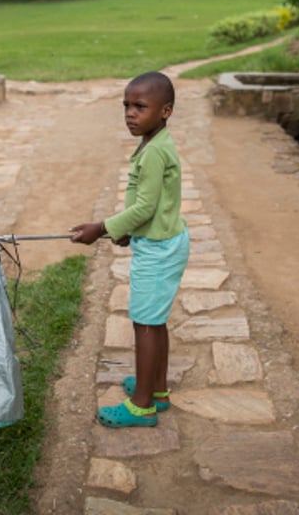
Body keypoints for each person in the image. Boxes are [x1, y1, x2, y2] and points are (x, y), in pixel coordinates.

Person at [71, 71, 190, 427]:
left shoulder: (154, 152)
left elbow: (145, 208)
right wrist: (128, 233)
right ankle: (156, 389)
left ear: (165, 111)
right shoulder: (156, 143)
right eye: (126, 106)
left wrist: (102, 228)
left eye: (140, 106)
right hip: (161, 239)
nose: (130, 114)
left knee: (145, 324)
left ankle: (141, 406)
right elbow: (152, 206)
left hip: (158, 250)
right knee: (155, 321)